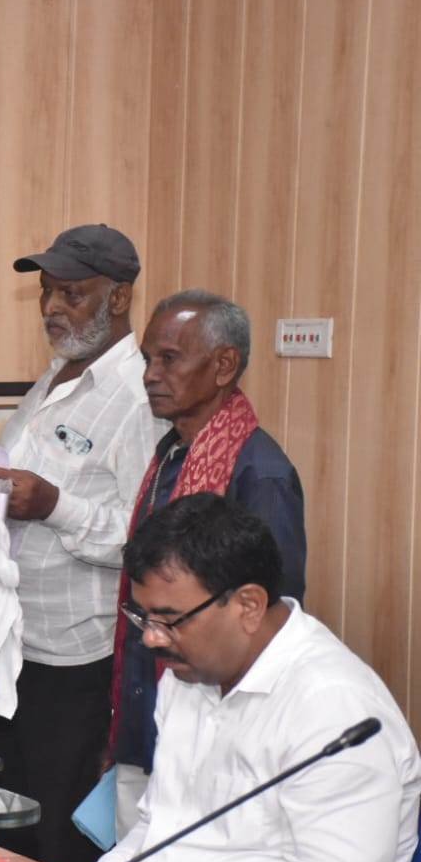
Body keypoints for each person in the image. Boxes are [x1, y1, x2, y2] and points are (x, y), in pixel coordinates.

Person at [0, 224, 162, 862]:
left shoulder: (137, 397)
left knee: (60, 841)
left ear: (119, 298)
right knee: (11, 831)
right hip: (14, 642)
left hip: (77, 659)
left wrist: (54, 504)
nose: (51, 308)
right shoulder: (58, 376)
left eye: (71, 294)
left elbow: (144, 535)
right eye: (45, 292)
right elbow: (18, 491)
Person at [90, 493, 419, 862]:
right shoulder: (189, 672)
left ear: (248, 605)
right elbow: (156, 829)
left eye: (170, 620)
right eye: (144, 617)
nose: (152, 638)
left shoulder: (333, 710)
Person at [108, 289, 308, 832]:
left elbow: (269, 620)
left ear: (224, 365)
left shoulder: (260, 474)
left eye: (169, 359)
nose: (150, 374)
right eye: (148, 358)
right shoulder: (170, 453)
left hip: (217, 737)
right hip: (148, 713)